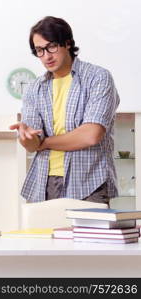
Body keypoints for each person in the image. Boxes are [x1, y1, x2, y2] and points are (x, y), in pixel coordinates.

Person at [10, 16, 119, 204]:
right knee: (42, 234)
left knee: (88, 235)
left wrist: (45, 143)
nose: (46, 56)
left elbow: (91, 135)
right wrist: (27, 138)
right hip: (44, 182)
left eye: (51, 46)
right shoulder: (35, 88)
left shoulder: (98, 78)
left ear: (67, 43)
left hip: (88, 181)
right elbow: (33, 144)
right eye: (39, 51)